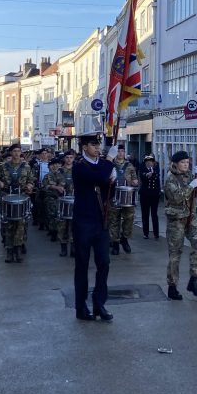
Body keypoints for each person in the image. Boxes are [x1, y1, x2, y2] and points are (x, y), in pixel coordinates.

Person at [72, 133, 116, 321]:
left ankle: (99, 303)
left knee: (104, 262)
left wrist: (112, 181)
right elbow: (97, 178)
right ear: (84, 147)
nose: (97, 148)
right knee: (82, 265)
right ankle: (81, 307)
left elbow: (107, 192)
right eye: (93, 145)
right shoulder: (79, 166)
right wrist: (111, 161)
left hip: (101, 221)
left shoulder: (102, 166)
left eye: (98, 145)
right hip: (83, 221)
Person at [164, 150, 197, 301]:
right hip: (176, 220)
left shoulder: (191, 175)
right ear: (176, 164)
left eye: (187, 162)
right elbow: (176, 198)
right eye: (183, 162)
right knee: (175, 254)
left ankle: (194, 280)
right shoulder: (170, 179)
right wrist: (190, 186)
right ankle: (172, 287)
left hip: (191, 217)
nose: (186, 165)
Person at [0, 144, 34, 263]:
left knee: (21, 224)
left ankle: (18, 249)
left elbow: (31, 179)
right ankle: (9, 251)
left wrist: (30, 186)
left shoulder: (26, 166)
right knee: (7, 224)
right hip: (6, 197)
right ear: (11, 153)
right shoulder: (3, 166)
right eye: (14, 151)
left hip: (21, 197)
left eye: (18, 151)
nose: (16, 153)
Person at [108, 147, 139, 255]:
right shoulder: (110, 165)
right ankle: (115, 243)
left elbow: (135, 178)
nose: (120, 153)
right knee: (114, 220)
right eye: (118, 151)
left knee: (129, 219)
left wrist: (135, 182)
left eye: (122, 151)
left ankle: (124, 238)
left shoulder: (130, 166)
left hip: (127, 197)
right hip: (114, 196)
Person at [43, 156, 66, 242]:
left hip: (64, 199)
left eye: (58, 164)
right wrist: (55, 187)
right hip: (52, 198)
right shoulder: (48, 176)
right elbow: (45, 186)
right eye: (54, 164)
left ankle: (62, 232)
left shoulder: (65, 174)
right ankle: (53, 232)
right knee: (53, 215)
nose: (56, 166)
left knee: (62, 216)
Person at [57, 150, 75, 257]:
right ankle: (63, 248)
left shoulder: (78, 170)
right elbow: (48, 184)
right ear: (64, 159)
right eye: (67, 157)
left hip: (75, 201)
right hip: (62, 202)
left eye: (71, 157)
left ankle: (73, 248)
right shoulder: (58, 171)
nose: (69, 160)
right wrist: (56, 187)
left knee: (74, 226)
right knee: (62, 226)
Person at [139, 154, 161, 240]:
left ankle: (156, 233)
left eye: (150, 162)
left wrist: (152, 173)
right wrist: (147, 175)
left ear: (153, 162)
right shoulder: (142, 169)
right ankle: (146, 233)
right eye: (147, 162)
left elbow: (156, 175)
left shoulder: (156, 168)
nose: (149, 163)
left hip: (154, 195)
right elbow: (142, 175)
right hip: (145, 195)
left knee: (154, 214)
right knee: (145, 214)